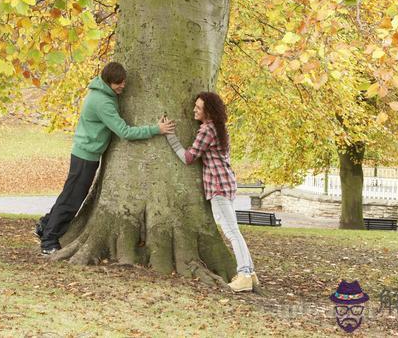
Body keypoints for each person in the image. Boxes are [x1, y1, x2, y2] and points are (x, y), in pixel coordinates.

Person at [36, 62, 175, 255]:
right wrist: (156, 129)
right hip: (86, 156)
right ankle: (48, 241)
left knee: (70, 194)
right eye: (118, 84)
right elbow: (124, 132)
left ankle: (45, 225)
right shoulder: (102, 102)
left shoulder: (103, 94)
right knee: (72, 199)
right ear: (107, 82)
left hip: (86, 153)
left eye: (123, 82)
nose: (122, 86)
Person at [163, 92, 257, 292]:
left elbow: (189, 158)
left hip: (218, 187)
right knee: (235, 231)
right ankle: (251, 274)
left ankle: (245, 274)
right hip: (227, 183)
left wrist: (170, 137)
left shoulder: (207, 130)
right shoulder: (219, 128)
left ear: (208, 111)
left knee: (232, 232)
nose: (194, 110)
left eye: (199, 107)